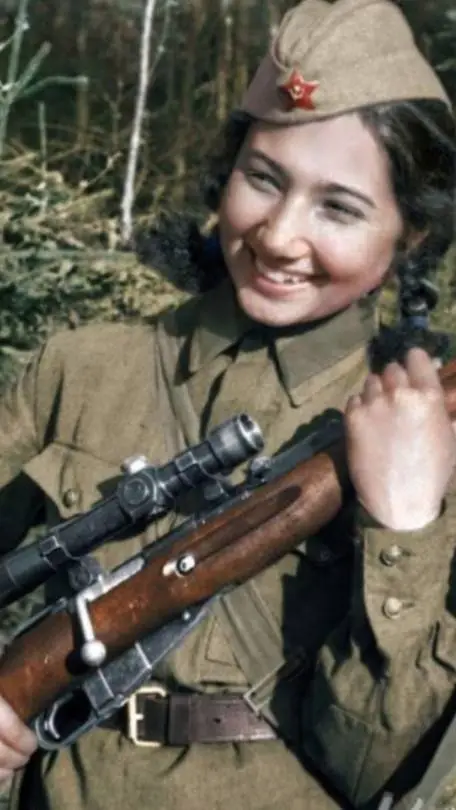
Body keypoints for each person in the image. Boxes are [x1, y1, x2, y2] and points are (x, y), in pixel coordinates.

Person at [0, 0, 455, 808]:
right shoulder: (82, 368)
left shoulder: (429, 430)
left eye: (339, 207)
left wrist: (406, 523)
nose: (278, 236)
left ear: (410, 235)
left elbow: (378, 767)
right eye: (263, 178)